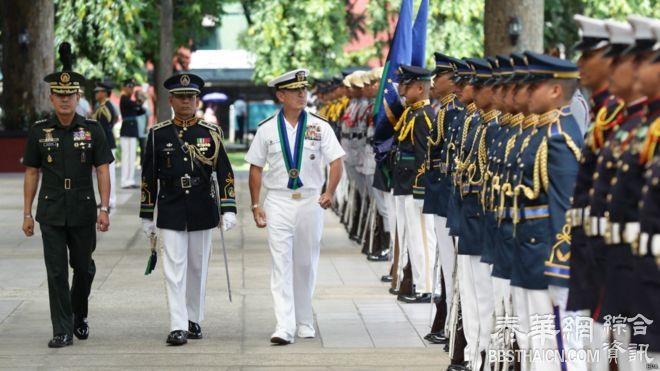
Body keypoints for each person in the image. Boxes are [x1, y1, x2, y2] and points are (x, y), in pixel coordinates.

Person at [21, 42, 114, 348]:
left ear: (78, 97)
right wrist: (26, 213)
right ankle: (62, 328)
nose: (64, 100)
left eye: (69, 95)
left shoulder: (92, 129)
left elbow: (102, 169)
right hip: (50, 210)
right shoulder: (38, 131)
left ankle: (79, 314)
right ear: (51, 97)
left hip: (84, 209)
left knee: (84, 267)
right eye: (58, 95)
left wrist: (104, 208)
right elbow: (32, 172)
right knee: (57, 270)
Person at [245, 68, 345, 345]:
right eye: (295, 90)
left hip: (310, 200)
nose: (302, 94)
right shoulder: (267, 129)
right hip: (278, 201)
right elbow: (255, 168)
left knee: (305, 262)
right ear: (281, 95)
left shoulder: (319, 126)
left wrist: (330, 191)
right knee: (281, 263)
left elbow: (336, 161)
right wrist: (255, 204)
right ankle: (284, 325)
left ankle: (304, 320)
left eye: (304, 89)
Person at [140, 72, 236, 346]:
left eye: (191, 97)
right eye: (181, 97)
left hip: (202, 206)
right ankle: (177, 324)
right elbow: (148, 177)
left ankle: (194, 318)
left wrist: (228, 208)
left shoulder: (211, 133)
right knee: (173, 268)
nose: (186, 102)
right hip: (170, 207)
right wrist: (147, 213)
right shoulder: (158, 135)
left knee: (197, 267)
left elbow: (225, 173)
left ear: (197, 100)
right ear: (171, 100)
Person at [93, 81, 119, 210]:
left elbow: (104, 127)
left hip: (107, 143)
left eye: (98, 91)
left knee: (109, 174)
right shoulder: (103, 106)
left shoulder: (105, 107)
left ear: (104, 93)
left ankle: (110, 201)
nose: (96, 93)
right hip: (107, 142)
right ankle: (107, 200)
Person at [119, 78, 145, 188]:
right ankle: (125, 181)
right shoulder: (124, 99)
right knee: (126, 157)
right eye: (130, 87)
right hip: (126, 131)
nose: (131, 89)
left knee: (132, 157)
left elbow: (142, 111)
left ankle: (130, 180)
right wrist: (139, 101)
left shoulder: (130, 102)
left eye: (132, 87)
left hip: (132, 131)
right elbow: (135, 105)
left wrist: (139, 102)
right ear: (125, 87)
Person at [135, 90, 151, 166]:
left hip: (142, 130)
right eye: (137, 95)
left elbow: (147, 117)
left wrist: (146, 127)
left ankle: (143, 163)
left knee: (143, 148)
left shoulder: (145, 106)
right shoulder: (134, 105)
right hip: (134, 130)